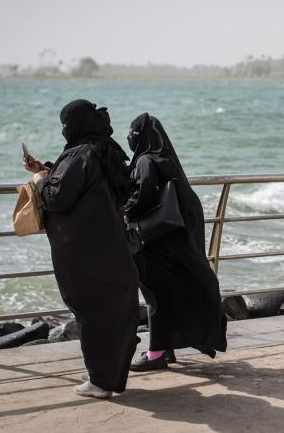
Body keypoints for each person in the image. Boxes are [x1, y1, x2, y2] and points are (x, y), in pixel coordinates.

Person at [24, 99, 139, 398]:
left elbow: (56, 198)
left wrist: (39, 180)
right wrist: (48, 168)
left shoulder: (79, 153)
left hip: (87, 252)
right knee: (114, 311)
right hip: (113, 246)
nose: (64, 129)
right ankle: (108, 376)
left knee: (91, 311)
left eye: (65, 124)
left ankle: (100, 381)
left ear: (76, 125)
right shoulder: (107, 149)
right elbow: (89, 183)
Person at [122, 113, 227, 371]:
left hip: (155, 243)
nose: (128, 137)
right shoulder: (167, 160)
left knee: (156, 295)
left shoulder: (146, 160)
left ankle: (156, 354)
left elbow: (143, 196)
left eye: (131, 132)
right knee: (169, 293)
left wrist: (123, 211)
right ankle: (164, 349)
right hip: (176, 244)